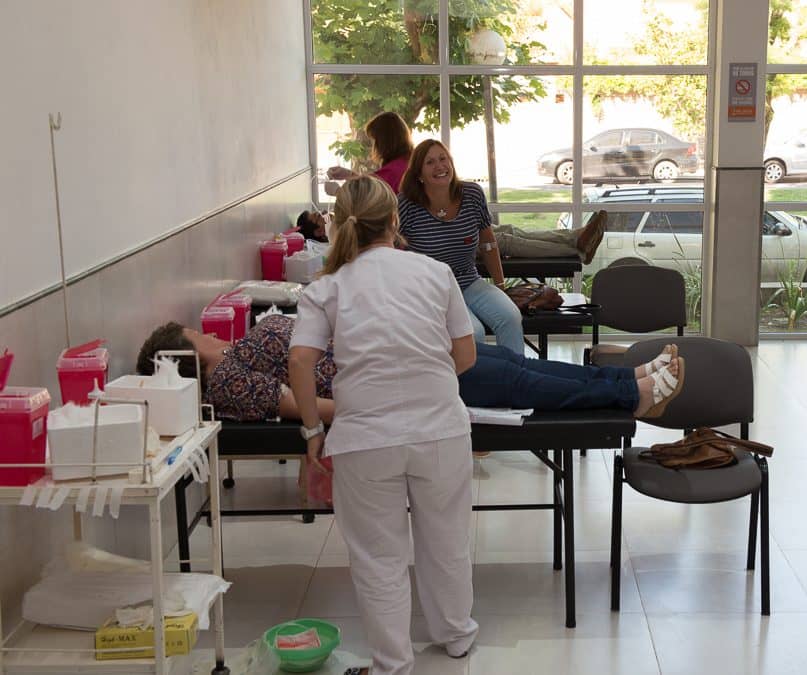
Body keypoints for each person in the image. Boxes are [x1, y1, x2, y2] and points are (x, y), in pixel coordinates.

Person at [290, 175, 477, 675]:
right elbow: (466, 353)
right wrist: (425, 379)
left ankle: (394, 663)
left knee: (378, 556)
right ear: (394, 220)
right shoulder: (435, 272)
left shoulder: (326, 287)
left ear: (337, 226)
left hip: (364, 440)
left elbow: (301, 360)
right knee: (447, 540)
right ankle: (455, 635)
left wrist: (312, 430)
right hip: (440, 429)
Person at [137, 315, 685, 423]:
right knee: (518, 384)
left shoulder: (234, 359)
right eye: (196, 338)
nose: (209, 335)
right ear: (185, 360)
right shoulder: (229, 380)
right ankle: (630, 397)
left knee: (513, 363)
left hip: (402, 355)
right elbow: (298, 404)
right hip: (397, 379)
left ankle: (629, 381)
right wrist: (379, 405)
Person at [397, 139, 525, 353]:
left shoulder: (472, 194)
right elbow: (388, 249)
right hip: (432, 289)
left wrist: (500, 285)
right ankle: (474, 384)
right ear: (419, 174)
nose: (439, 166)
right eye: (430, 162)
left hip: (468, 280)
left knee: (510, 316)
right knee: (473, 332)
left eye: (443, 159)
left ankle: (515, 379)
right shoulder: (406, 204)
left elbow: (488, 242)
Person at [326, 111, 413, 192]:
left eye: (374, 140)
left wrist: (338, 191)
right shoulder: (407, 161)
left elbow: (369, 194)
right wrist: (348, 174)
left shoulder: (394, 170)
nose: (373, 146)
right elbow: (370, 182)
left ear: (383, 141)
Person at [491, 210, 608, 264]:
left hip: (476, 231)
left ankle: (576, 236)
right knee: (504, 240)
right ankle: (579, 252)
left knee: (510, 230)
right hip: (473, 244)